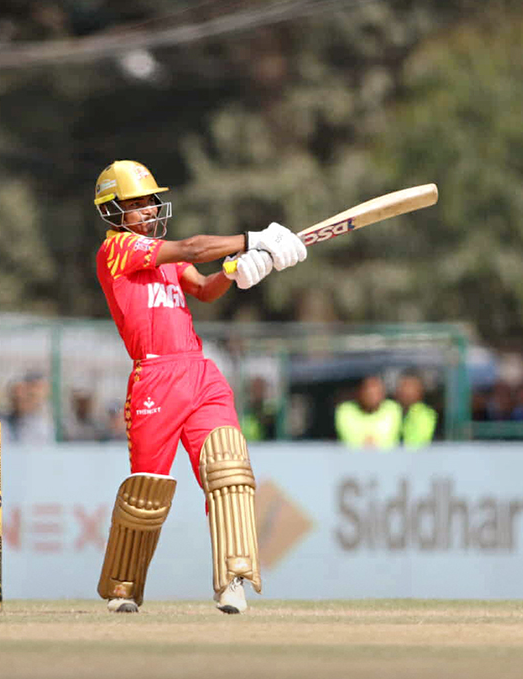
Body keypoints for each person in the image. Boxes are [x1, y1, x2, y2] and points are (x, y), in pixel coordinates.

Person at [91, 159, 306, 615]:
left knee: (229, 470)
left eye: (151, 201)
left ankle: (233, 579)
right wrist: (254, 239)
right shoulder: (117, 251)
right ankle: (123, 587)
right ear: (112, 210)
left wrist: (236, 270)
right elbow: (191, 247)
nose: (149, 210)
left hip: (199, 371)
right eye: (137, 203)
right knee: (147, 491)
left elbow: (205, 289)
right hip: (154, 378)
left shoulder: (164, 258)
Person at [335, 375, 401, 449]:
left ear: (383, 392)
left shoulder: (393, 408)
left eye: (376, 392)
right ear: (359, 391)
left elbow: (388, 442)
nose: (372, 396)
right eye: (368, 391)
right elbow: (351, 443)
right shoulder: (345, 410)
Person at [395, 371, 437, 449]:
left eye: (411, 387)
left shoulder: (428, 416)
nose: (407, 391)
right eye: (404, 386)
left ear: (421, 390)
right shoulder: (392, 413)